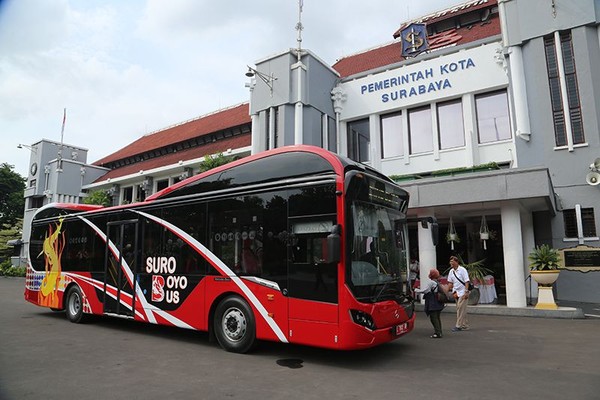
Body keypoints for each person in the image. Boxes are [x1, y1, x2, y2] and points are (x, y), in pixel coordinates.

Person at [414, 268, 446, 338]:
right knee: (437, 317)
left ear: (431, 275)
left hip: (432, 302)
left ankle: (437, 333)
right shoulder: (437, 282)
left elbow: (425, 291)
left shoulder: (431, 282)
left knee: (433, 318)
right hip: (438, 301)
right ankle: (439, 331)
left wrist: (416, 290)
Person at [447, 255, 470, 331]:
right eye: (450, 262)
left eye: (452, 261)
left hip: (463, 292)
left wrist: (466, 292)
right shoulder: (451, 271)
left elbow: (466, 281)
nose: (451, 263)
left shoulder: (462, 270)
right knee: (461, 309)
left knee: (460, 309)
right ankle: (465, 325)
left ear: (457, 262)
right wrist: (446, 290)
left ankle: (458, 325)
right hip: (456, 292)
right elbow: (450, 283)